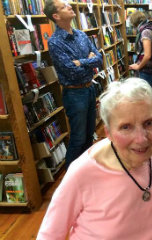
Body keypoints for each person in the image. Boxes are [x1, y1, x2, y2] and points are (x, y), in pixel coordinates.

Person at [37, 78, 152, 240]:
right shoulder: (82, 173)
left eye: (149, 123)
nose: (141, 139)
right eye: (126, 127)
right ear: (108, 132)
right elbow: (49, 235)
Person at [43, 0, 103, 168]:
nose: (69, 6)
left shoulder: (82, 35)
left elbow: (99, 58)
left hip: (89, 89)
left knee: (89, 135)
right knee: (78, 138)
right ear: (56, 16)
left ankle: (85, 170)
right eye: (64, 7)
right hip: (75, 94)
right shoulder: (55, 42)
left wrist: (80, 62)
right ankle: (71, 177)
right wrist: (88, 62)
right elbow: (71, 71)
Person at [129, 11, 152, 93]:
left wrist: (138, 66)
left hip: (146, 70)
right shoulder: (148, 28)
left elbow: (147, 55)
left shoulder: (145, 32)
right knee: (149, 94)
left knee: (147, 95)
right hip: (148, 68)